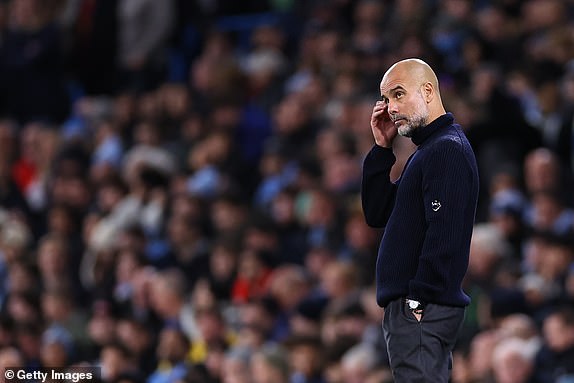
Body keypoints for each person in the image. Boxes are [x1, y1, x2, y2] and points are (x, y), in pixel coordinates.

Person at [361, 58, 479, 382]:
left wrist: (419, 298)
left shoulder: (445, 149)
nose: (390, 108)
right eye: (386, 99)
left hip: (422, 308)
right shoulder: (428, 150)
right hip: (416, 309)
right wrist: (382, 149)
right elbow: (377, 213)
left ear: (427, 91)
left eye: (398, 94)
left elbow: (445, 232)